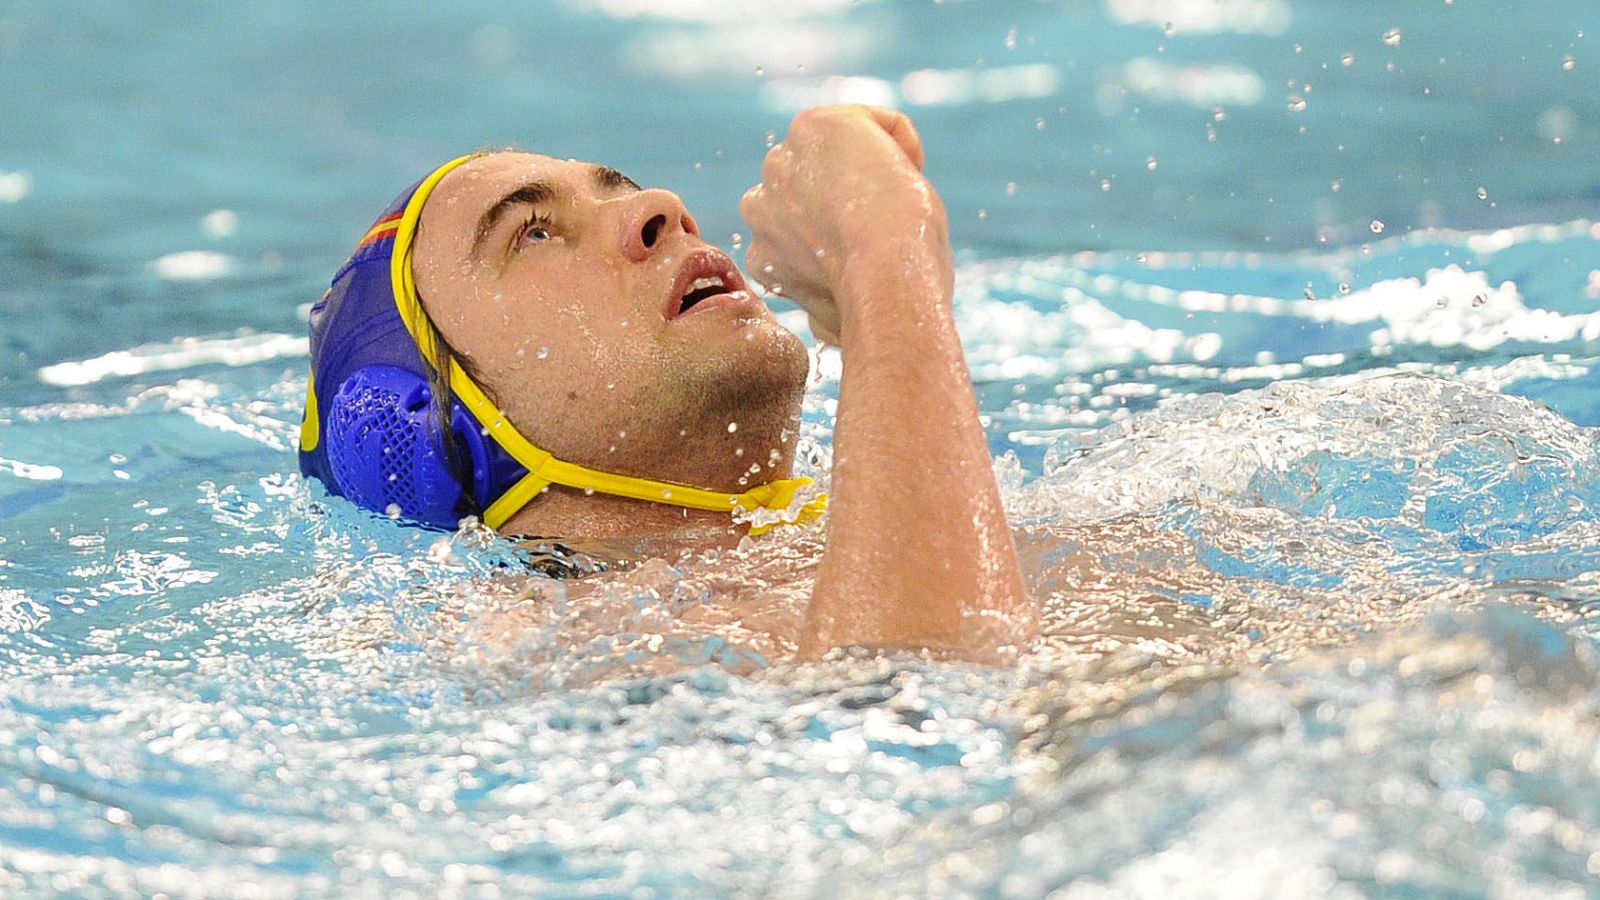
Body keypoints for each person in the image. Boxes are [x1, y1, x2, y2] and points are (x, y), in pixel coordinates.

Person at [299, 106, 1035, 659]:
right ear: (426, 431)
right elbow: (934, 700)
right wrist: (883, 259)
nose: (659, 208)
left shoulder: (916, 522)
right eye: (534, 233)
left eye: (620, 190)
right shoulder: (554, 647)